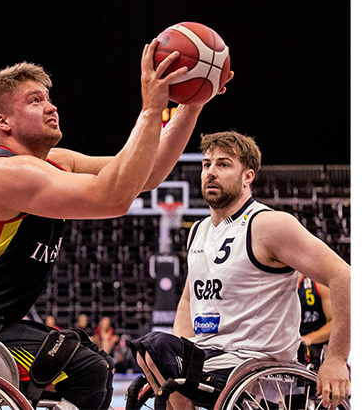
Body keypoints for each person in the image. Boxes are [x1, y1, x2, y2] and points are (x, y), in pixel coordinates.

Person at [0, 38, 231, 409]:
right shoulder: (2, 172)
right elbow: (114, 198)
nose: (51, 106)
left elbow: (146, 173)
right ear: (2, 121)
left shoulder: (58, 162)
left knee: (92, 363)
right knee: (87, 367)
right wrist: (152, 107)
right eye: (34, 100)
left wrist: (191, 105)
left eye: (48, 97)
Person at [130, 131, 351, 410]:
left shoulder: (269, 225)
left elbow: (344, 276)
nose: (211, 172)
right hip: (213, 356)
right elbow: (188, 301)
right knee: (147, 351)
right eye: (206, 164)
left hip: (258, 364)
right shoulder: (197, 231)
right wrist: (181, 353)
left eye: (223, 165)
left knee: (157, 346)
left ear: (248, 177)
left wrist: (336, 359)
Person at [298, 272, 333, 370]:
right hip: (284, 347)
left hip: (315, 348)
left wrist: (309, 338)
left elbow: (336, 323)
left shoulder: (319, 283)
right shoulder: (271, 283)